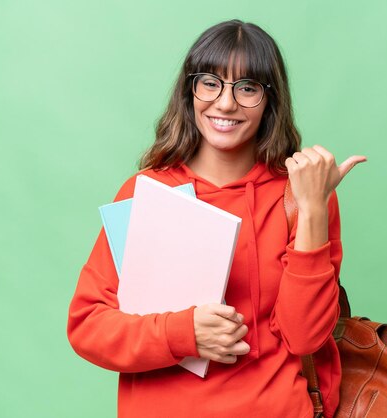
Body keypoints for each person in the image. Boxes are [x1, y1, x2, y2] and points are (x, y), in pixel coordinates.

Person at [67, 19, 366, 418]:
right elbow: (89, 327)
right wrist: (184, 333)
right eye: (210, 82)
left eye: (247, 88)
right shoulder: (146, 192)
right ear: (190, 91)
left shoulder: (300, 195)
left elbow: (305, 337)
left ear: (270, 100)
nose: (225, 104)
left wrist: (313, 208)